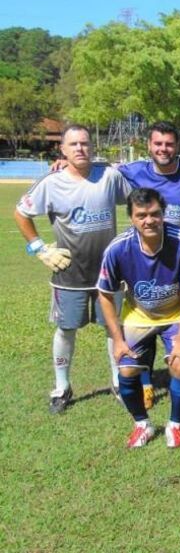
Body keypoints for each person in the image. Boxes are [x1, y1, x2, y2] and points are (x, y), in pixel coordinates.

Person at [14, 124, 132, 414]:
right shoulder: (52, 182)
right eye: (74, 144)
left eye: (85, 143)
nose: (80, 148)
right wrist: (39, 248)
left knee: (112, 328)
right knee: (66, 330)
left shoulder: (110, 176)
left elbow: (136, 200)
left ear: (92, 147)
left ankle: (118, 382)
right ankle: (61, 386)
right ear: (63, 150)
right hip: (69, 275)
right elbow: (21, 213)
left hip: (109, 273)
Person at [96, 188, 180, 448]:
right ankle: (142, 424)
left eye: (154, 214)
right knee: (126, 370)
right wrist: (117, 340)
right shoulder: (118, 248)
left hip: (175, 315)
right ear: (131, 218)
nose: (149, 220)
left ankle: (175, 425)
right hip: (138, 316)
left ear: (163, 214)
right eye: (141, 215)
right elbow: (105, 294)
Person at [115, 121, 180, 408]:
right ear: (149, 145)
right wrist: (63, 162)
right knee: (143, 316)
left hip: (177, 260)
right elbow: (100, 170)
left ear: (177, 146)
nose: (163, 149)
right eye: (158, 143)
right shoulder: (134, 171)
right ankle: (146, 384)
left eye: (169, 144)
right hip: (143, 259)